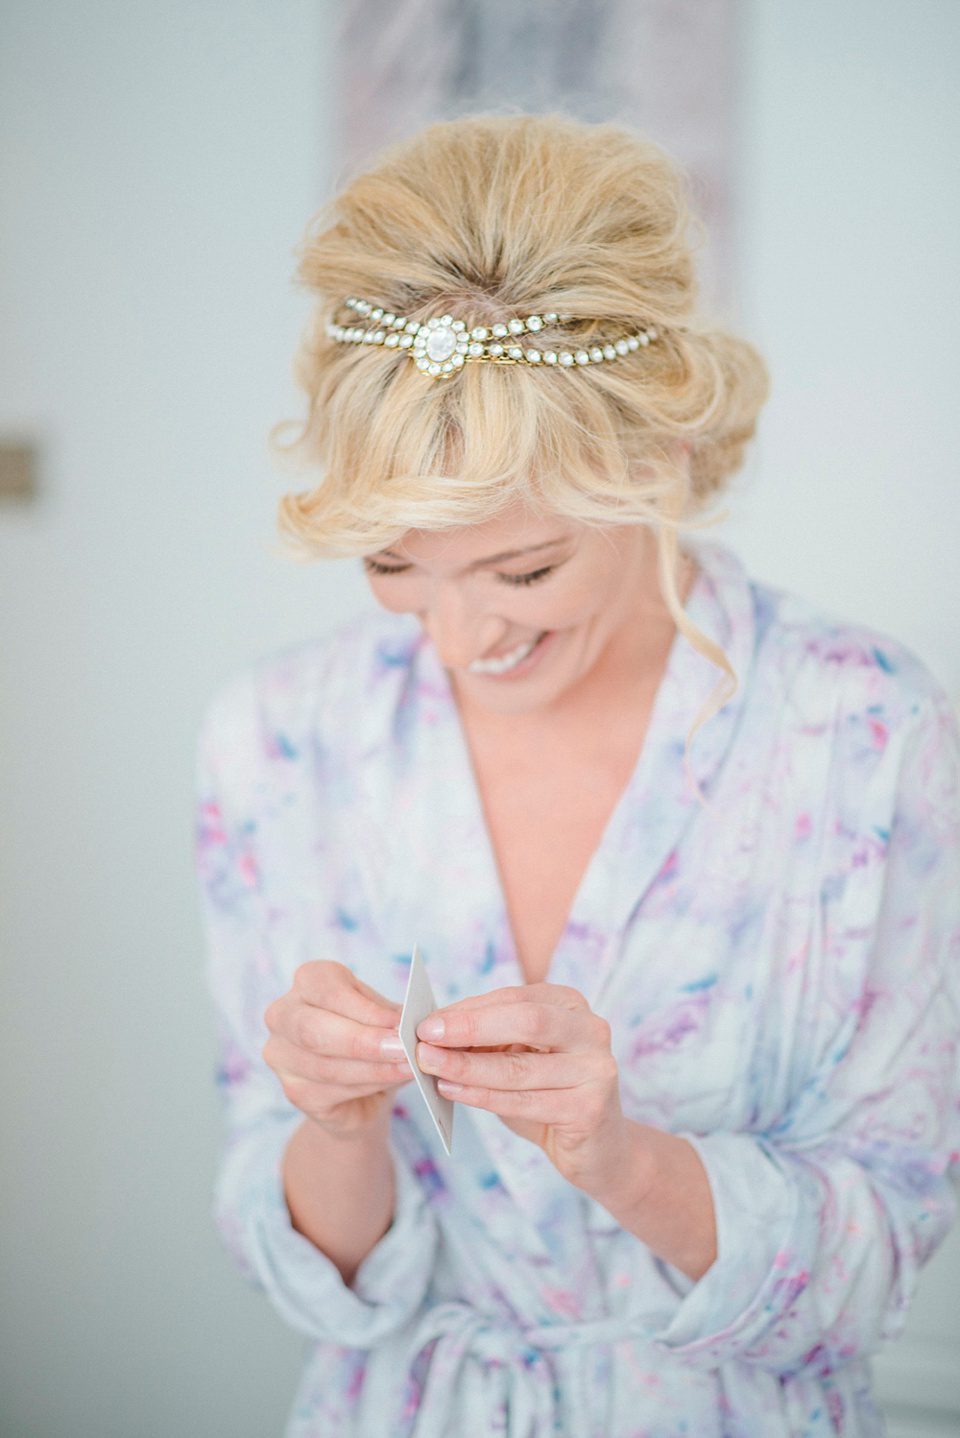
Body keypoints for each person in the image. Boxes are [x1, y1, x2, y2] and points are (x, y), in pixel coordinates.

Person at [194, 114, 960, 1437]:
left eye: (524, 570)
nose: (455, 640)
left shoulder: (859, 728)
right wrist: (335, 1126)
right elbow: (307, 1273)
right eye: (394, 566)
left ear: (654, 465)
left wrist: (625, 1157)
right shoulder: (277, 738)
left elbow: (883, 1247)